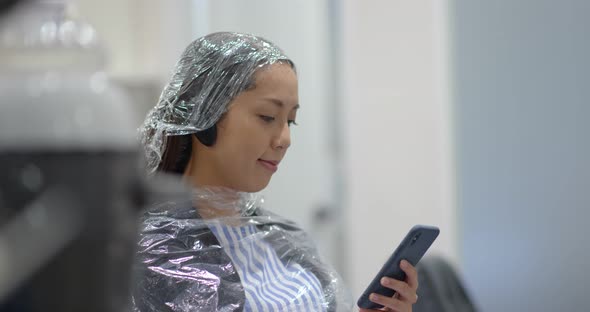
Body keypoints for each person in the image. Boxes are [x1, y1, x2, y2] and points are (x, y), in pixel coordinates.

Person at [133, 32, 419, 312]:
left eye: (290, 121)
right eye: (267, 117)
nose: (284, 139)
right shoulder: (154, 252)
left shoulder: (284, 237)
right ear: (205, 117)